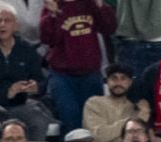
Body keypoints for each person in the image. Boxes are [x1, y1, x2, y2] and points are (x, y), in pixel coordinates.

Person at [0, 5, 55, 140]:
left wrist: (36, 87)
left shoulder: (27, 49)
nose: (2, 24)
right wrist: (8, 92)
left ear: (16, 25)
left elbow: (41, 80)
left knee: (39, 122)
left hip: (20, 105)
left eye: (7, 20)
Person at [41, 0, 118, 134]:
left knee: (93, 123)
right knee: (70, 121)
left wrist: (100, 6)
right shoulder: (52, 5)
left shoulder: (90, 3)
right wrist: (53, 15)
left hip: (91, 73)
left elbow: (109, 27)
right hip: (62, 76)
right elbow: (48, 39)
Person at [83, 64, 142, 142]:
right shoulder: (94, 103)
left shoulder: (135, 107)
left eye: (123, 79)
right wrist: (131, 121)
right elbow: (99, 137)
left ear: (130, 82)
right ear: (107, 81)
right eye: (114, 78)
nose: (118, 83)